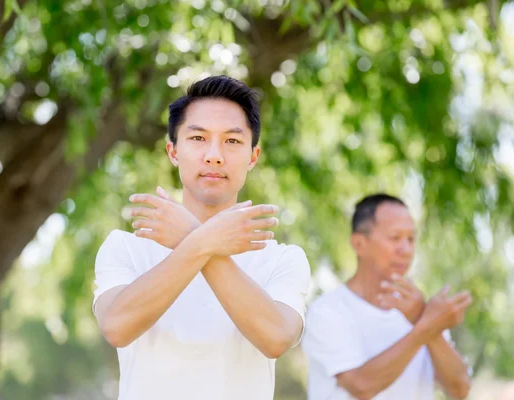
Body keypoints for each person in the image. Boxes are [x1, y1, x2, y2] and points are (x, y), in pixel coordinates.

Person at [92, 75, 311, 400]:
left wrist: (191, 238)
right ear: (173, 151)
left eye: (233, 141)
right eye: (197, 138)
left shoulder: (282, 259)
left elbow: (277, 337)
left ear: (253, 156)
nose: (214, 155)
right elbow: (116, 326)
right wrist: (201, 241)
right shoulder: (125, 247)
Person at [303, 194, 472, 400]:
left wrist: (428, 325)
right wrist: (425, 326)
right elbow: (361, 386)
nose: (406, 250)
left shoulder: (422, 312)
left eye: (411, 239)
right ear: (358, 243)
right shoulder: (328, 311)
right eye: (395, 237)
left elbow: (460, 389)